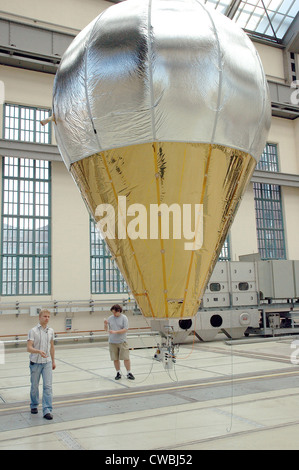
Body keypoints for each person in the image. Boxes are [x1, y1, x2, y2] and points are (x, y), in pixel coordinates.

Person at [27, 309, 56, 420]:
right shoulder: (33, 331)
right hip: (35, 363)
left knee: (48, 387)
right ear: (39, 318)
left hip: (47, 363)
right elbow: (29, 348)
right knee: (34, 386)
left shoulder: (51, 331)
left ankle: (47, 410)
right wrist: (38, 351)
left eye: (48, 316)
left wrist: (53, 360)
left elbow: (52, 346)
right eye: (44, 316)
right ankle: (34, 405)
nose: (47, 318)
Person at [104, 304, 135, 380]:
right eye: (112, 313)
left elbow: (125, 329)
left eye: (115, 312)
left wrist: (115, 332)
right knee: (115, 358)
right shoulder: (110, 318)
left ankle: (128, 372)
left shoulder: (124, 318)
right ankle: (118, 372)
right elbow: (106, 329)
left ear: (119, 311)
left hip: (122, 341)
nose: (114, 314)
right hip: (112, 342)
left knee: (126, 358)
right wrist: (105, 324)